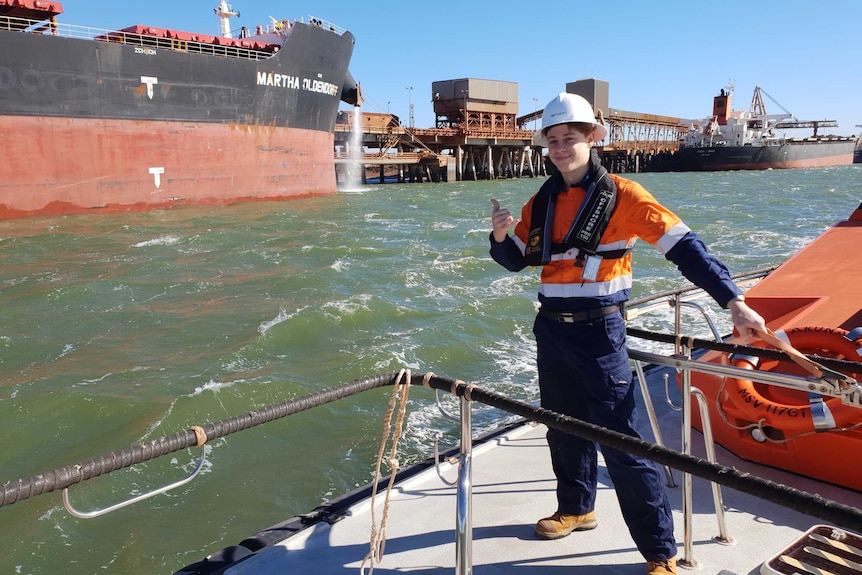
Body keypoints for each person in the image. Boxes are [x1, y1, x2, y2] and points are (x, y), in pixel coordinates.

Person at [488, 92, 766, 575]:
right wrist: (499, 234)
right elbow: (515, 260)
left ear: (592, 139)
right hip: (551, 331)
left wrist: (734, 302)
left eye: (568, 138)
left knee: (623, 444)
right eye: (552, 140)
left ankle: (660, 553)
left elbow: (687, 249)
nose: (559, 147)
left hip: (600, 333)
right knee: (562, 427)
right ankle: (577, 508)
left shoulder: (627, 195)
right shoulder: (542, 200)